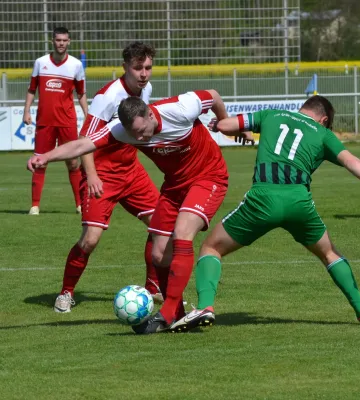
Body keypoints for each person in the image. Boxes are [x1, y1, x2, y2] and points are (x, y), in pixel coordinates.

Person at [167, 95, 360, 333]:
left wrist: (219, 123)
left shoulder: (271, 114)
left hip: (263, 198)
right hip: (299, 203)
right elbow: (352, 162)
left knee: (211, 248)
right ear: (324, 119)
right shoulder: (323, 134)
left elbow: (226, 126)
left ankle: (206, 306)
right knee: (329, 253)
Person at [27, 89, 240, 333]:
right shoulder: (122, 130)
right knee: (159, 255)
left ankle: (167, 312)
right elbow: (84, 144)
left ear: (150, 114)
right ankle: (179, 315)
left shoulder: (182, 108)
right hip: (174, 186)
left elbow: (213, 95)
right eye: (134, 135)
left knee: (182, 232)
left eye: (142, 131)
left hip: (208, 177)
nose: (139, 138)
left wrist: (224, 122)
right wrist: (46, 156)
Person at [52, 42, 162, 313]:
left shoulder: (146, 90)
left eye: (148, 67)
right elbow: (85, 139)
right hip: (101, 173)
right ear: (125, 67)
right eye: (138, 68)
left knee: (161, 225)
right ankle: (66, 293)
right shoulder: (108, 96)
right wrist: (90, 175)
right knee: (90, 239)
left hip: (131, 171)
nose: (144, 73)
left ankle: (153, 287)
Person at [23, 26, 88, 216]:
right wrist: (26, 111)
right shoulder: (40, 63)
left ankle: (79, 204)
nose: (61, 43)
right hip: (45, 121)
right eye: (58, 40)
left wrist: (87, 115)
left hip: (67, 121)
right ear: (53, 41)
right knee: (40, 162)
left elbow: (81, 92)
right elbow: (31, 89)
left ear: (69, 42)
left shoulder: (76, 65)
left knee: (73, 163)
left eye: (64, 40)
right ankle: (35, 205)